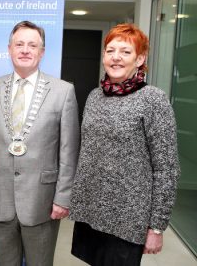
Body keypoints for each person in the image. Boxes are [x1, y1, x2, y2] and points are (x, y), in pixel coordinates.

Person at [0, 21, 80, 266]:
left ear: (42, 52)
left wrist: (63, 197)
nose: (25, 50)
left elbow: (68, 152)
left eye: (32, 45)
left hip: (43, 200)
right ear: (9, 49)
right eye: (19, 44)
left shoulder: (63, 92)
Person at [69, 23, 180, 266]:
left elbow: (166, 168)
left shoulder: (153, 100)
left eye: (125, 52)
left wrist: (157, 227)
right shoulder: (95, 96)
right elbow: (88, 153)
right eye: (110, 51)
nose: (116, 57)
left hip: (129, 219)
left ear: (140, 59)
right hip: (92, 210)